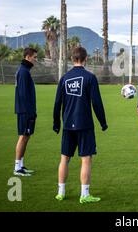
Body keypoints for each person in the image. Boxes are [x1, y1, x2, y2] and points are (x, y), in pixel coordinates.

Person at [53, 47, 108, 203]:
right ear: (86, 59)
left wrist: (56, 123)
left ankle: (61, 192)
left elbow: (57, 103)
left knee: (64, 158)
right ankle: (84, 195)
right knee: (86, 159)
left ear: (72, 59)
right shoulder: (90, 77)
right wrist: (103, 122)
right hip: (84, 125)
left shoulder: (64, 78)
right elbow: (97, 103)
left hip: (67, 125)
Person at [13, 47, 38, 177]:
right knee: (23, 137)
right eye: (34, 57)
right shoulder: (23, 72)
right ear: (28, 57)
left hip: (26, 110)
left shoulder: (25, 71)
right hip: (24, 111)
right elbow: (23, 95)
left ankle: (21, 165)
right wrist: (30, 112)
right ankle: (17, 167)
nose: (36, 60)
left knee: (26, 137)